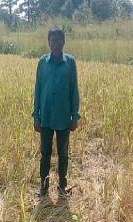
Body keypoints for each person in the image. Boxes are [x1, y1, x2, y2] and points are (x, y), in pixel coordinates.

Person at [32, 26, 80, 197]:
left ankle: (62, 185)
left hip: (63, 117)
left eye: (59, 40)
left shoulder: (70, 63)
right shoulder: (42, 63)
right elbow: (37, 89)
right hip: (45, 116)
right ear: (48, 42)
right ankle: (43, 187)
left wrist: (75, 116)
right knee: (45, 153)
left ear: (64, 42)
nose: (56, 44)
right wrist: (35, 116)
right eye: (53, 40)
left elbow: (74, 90)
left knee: (63, 153)